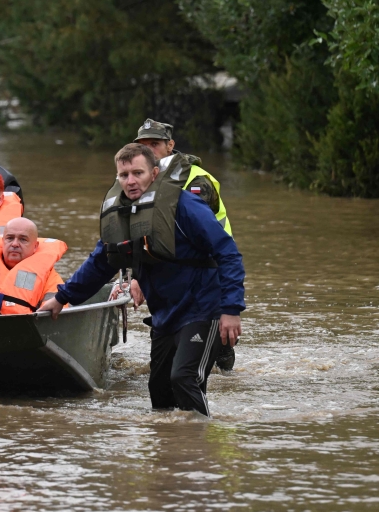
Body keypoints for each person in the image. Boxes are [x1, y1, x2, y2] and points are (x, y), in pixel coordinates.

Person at [39, 144, 244, 417]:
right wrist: (62, 299)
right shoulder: (121, 214)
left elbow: (228, 254)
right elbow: (100, 263)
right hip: (164, 315)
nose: (131, 181)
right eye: (124, 175)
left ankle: (199, 450)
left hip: (203, 308)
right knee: (159, 393)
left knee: (184, 379)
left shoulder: (185, 206)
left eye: (138, 172)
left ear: (154, 173)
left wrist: (231, 310)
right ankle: (167, 453)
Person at [134, 118, 236, 371]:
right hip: (167, 265)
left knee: (207, 332)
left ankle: (223, 363)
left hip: (206, 265)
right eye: (143, 146)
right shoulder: (138, 179)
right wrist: (137, 274)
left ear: (170, 145)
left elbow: (195, 233)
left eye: (155, 144)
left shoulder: (196, 181)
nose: (149, 151)